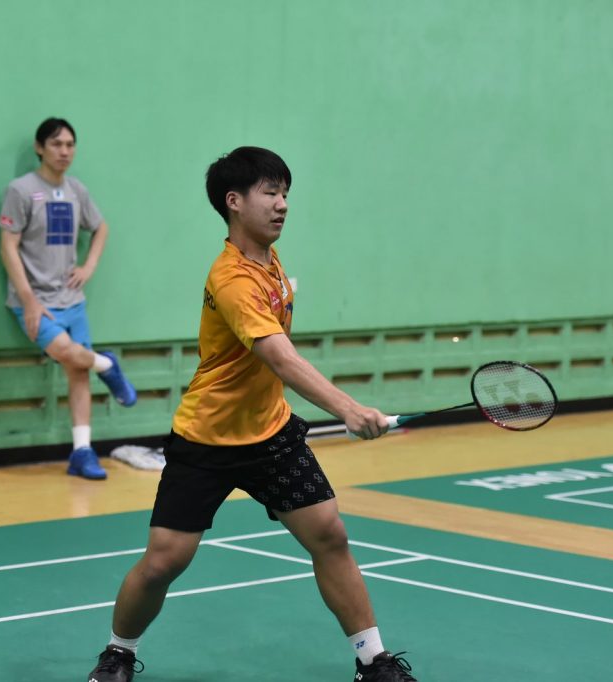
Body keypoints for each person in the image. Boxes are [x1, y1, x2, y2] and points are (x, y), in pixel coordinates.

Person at [87, 147, 417, 681]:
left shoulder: (270, 261)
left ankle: (372, 661)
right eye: (270, 193)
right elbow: (280, 358)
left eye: (285, 193)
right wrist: (350, 410)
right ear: (234, 202)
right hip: (207, 439)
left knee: (329, 535)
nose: (282, 204)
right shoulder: (233, 279)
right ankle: (118, 653)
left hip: (271, 434)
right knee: (164, 561)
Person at [0, 117, 137, 481]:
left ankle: (82, 451)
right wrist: (28, 299)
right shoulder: (21, 189)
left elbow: (100, 227)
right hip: (35, 300)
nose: (64, 151)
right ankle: (107, 365)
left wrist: (88, 266)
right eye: (56, 144)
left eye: (70, 145)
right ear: (39, 148)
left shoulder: (77, 190)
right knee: (66, 352)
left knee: (77, 370)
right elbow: (8, 246)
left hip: (71, 298)